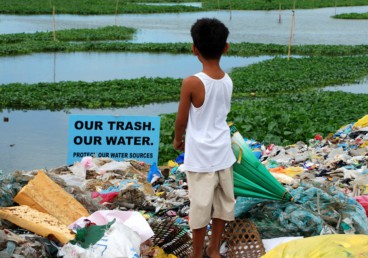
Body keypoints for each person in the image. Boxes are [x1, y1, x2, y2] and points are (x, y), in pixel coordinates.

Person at [173, 18, 236, 258]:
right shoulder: (227, 80)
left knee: (200, 207)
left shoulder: (192, 82)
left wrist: (177, 139)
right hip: (222, 151)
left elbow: (181, 120)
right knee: (222, 204)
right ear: (225, 47)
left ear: (194, 48)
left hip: (200, 155)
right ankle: (214, 249)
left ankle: (197, 253)